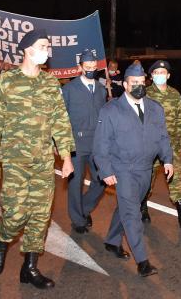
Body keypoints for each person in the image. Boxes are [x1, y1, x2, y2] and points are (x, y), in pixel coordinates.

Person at [0, 31, 75, 289]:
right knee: (14, 214)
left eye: (48, 46)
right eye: (43, 45)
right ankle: (1, 241)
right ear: (27, 50)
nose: (48, 50)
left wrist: (66, 156)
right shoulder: (7, 82)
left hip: (44, 162)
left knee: (40, 216)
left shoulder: (50, 83)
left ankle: (30, 268)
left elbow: (60, 122)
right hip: (14, 162)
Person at [93, 62, 174, 277]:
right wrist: (106, 170)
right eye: (134, 83)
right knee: (132, 213)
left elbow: (163, 137)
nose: (139, 85)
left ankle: (111, 240)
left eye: (141, 82)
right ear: (126, 85)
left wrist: (167, 159)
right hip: (123, 169)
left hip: (146, 169)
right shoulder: (111, 110)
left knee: (127, 206)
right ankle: (142, 260)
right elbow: (101, 144)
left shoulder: (155, 108)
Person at [144, 60, 181, 227]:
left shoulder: (175, 94)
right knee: (148, 177)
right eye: (157, 73)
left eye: (163, 73)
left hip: (171, 144)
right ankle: (142, 208)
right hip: (151, 145)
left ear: (168, 75)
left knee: (175, 176)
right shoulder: (145, 94)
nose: (160, 75)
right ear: (152, 76)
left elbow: (179, 119)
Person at [61, 49, 107, 234]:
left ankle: (84, 209)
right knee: (75, 183)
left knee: (102, 180)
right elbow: (61, 119)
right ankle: (78, 220)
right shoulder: (69, 90)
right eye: (87, 67)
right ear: (79, 67)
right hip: (76, 145)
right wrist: (62, 146)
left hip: (97, 144)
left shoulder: (102, 89)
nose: (91, 70)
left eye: (93, 67)